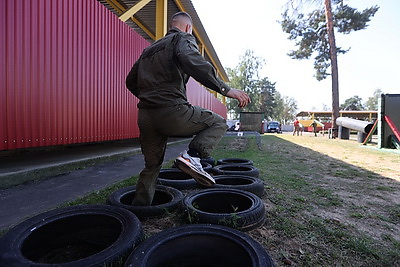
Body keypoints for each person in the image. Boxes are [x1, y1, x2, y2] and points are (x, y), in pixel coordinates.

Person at [126, 11, 251, 206]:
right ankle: (192, 157)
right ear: (188, 28)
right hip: (171, 112)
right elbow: (192, 60)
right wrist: (225, 89)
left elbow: (130, 81)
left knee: (151, 166)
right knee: (218, 122)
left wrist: (149, 97)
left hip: (146, 117)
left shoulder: (148, 51)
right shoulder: (182, 38)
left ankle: (139, 209)